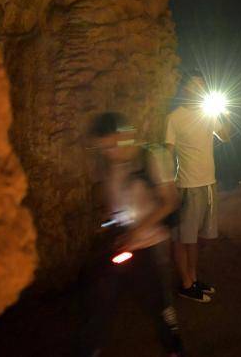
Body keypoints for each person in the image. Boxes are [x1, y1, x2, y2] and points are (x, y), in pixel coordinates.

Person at [82, 112, 184, 357]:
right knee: (101, 303)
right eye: (103, 148)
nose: (108, 153)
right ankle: (89, 350)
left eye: (110, 145)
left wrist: (137, 230)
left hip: (151, 246)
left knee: (159, 308)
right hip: (123, 245)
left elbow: (171, 201)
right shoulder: (110, 165)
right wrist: (109, 225)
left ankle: (175, 350)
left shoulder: (152, 157)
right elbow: (114, 206)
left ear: (123, 135)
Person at [165, 73, 231, 302]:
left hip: (208, 184)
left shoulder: (207, 113)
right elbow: (168, 152)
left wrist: (221, 111)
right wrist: (167, 186)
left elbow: (225, 136)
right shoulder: (175, 118)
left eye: (202, 84)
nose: (199, 88)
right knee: (183, 238)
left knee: (197, 237)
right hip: (187, 185)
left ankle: (192, 278)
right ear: (184, 89)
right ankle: (185, 283)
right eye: (194, 84)